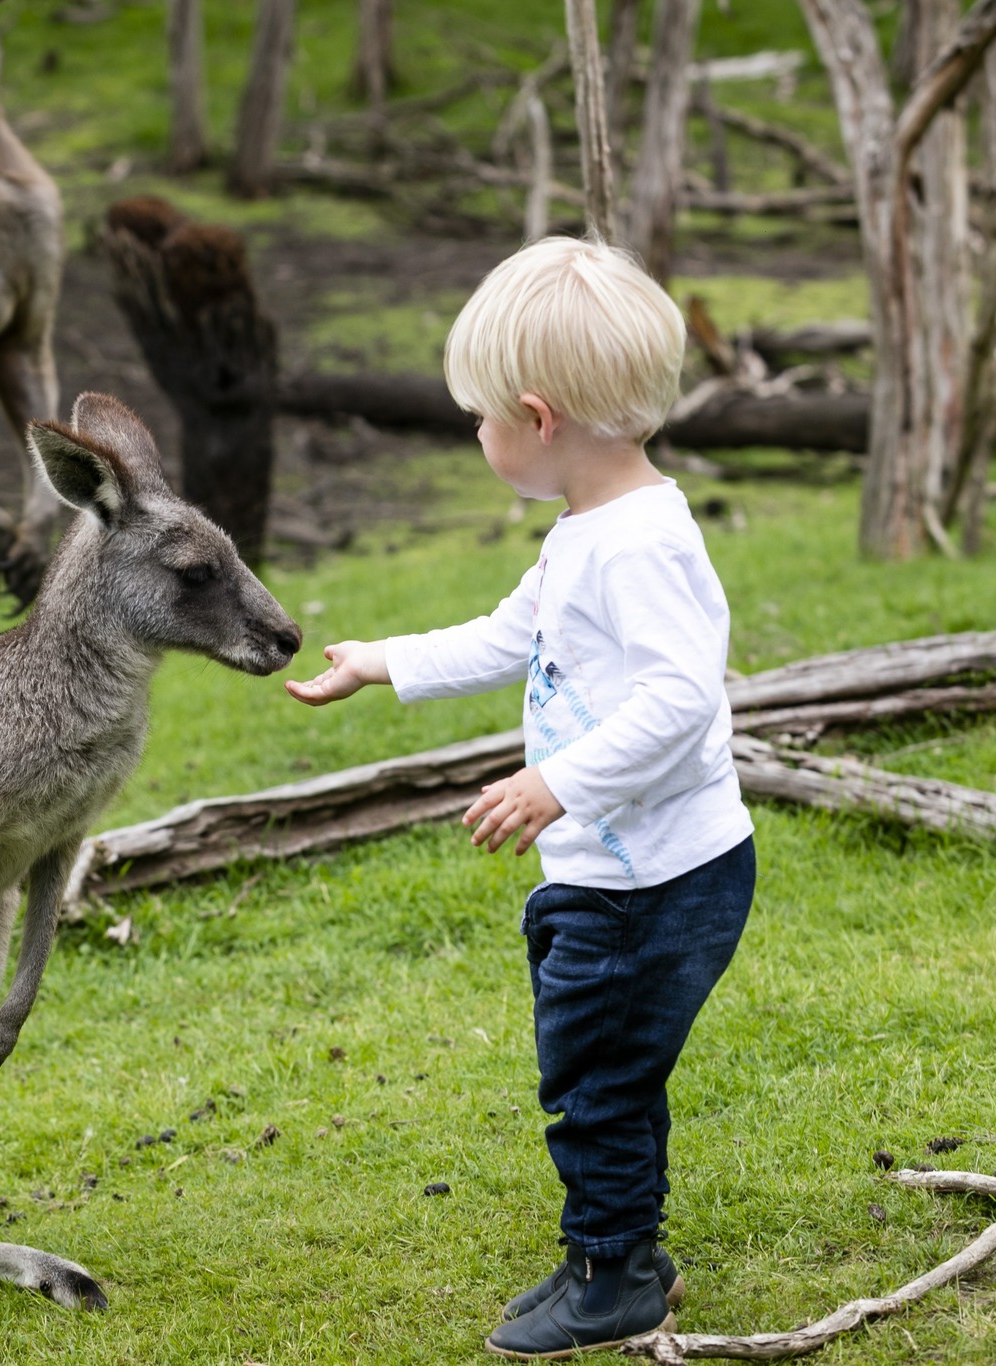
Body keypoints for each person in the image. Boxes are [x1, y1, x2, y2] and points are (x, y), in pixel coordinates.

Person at [286, 236, 756, 1359]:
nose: (476, 435)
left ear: (538, 421)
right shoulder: (590, 532)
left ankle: (612, 1275)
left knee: (593, 1073)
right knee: (609, 1063)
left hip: (649, 880)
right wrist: (384, 659)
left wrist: (557, 782)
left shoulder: (636, 547)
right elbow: (512, 636)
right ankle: (626, 1249)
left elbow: (683, 701)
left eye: (481, 418)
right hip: (620, 871)